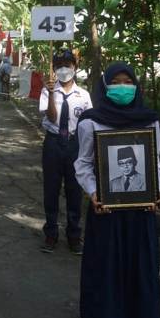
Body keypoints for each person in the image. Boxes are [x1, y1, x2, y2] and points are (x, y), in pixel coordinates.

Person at [74, 62, 160, 318]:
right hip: (107, 212)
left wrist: (158, 188)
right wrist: (94, 193)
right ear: (105, 86)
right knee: (108, 270)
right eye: (117, 81)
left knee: (139, 271)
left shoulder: (149, 120)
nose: (123, 86)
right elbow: (84, 164)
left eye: (129, 81)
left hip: (141, 213)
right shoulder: (91, 121)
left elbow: (155, 162)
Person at [40, 50, 92, 254]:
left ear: (75, 67)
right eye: (59, 66)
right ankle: (51, 234)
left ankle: (74, 235)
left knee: (74, 190)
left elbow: (88, 124)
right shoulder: (47, 92)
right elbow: (52, 118)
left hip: (74, 144)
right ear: (54, 69)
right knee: (51, 189)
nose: (63, 69)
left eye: (67, 65)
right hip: (53, 143)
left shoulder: (84, 95)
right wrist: (52, 93)